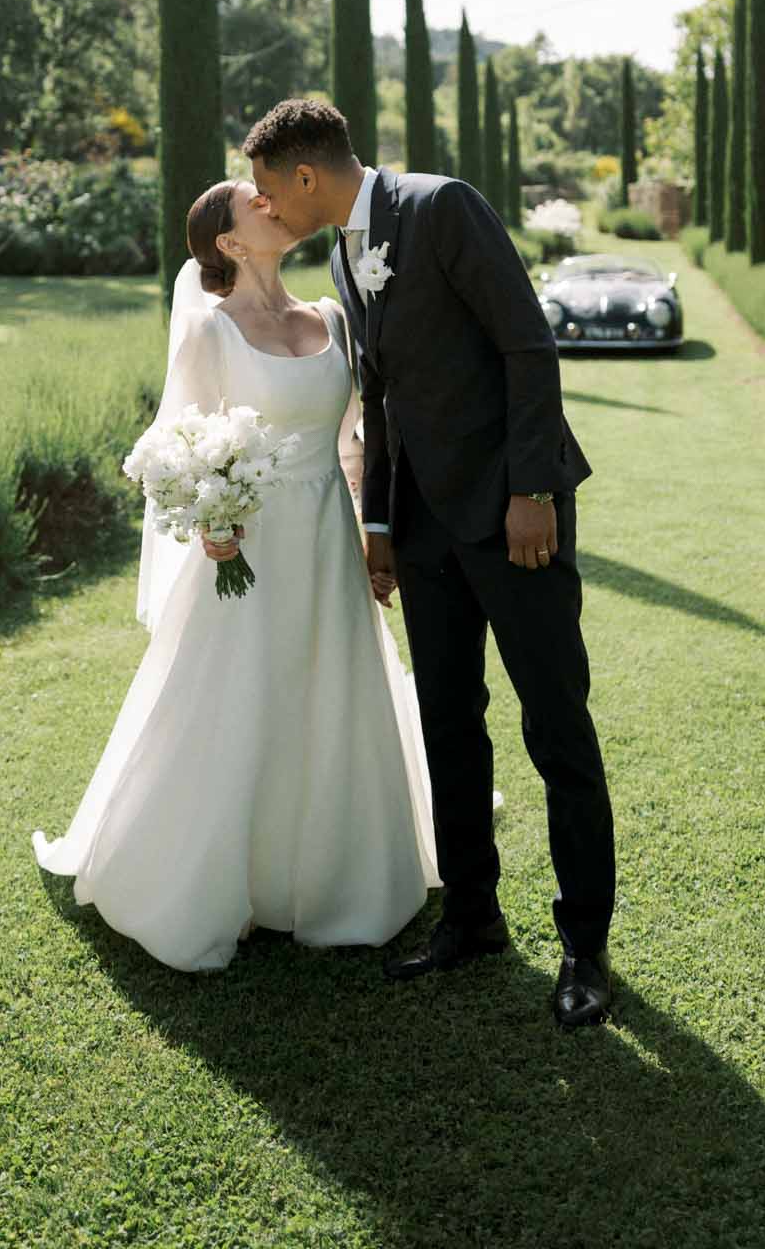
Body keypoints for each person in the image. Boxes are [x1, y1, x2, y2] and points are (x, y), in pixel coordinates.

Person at [244, 98, 616, 1028]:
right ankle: (473, 916)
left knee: (554, 723)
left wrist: (532, 491)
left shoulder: (442, 206)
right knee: (448, 722)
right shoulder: (339, 252)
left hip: (509, 513)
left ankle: (584, 942)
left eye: (263, 188)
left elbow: (526, 344)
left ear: (303, 175)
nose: (262, 206)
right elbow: (377, 398)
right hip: (421, 529)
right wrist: (378, 526)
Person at [31, 178, 440, 971]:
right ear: (229, 241)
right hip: (246, 551)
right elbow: (170, 452)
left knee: (331, 690)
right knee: (239, 698)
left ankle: (335, 880)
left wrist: (372, 528)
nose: (272, 200)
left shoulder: (330, 316)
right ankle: (220, 880)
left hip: (327, 541)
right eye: (253, 200)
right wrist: (212, 527)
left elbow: (354, 438)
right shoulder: (210, 333)